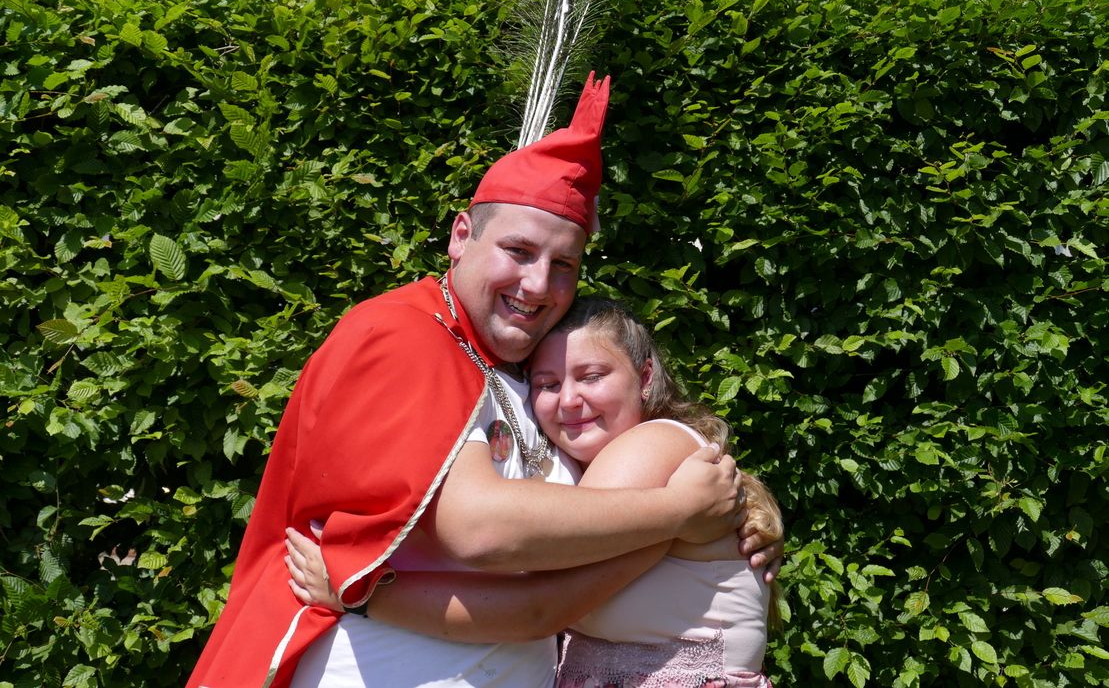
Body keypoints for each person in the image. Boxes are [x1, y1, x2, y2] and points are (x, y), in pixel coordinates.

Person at [186, 73, 782, 688]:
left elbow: (586, 521)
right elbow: (481, 530)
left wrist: (744, 510)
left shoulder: (514, 368)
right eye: (519, 251)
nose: (537, 285)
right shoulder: (405, 333)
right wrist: (677, 514)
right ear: (461, 236)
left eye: (563, 266)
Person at [286, 297, 784, 687]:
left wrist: (362, 594)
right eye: (547, 384)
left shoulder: (650, 447)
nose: (569, 400)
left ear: (646, 376)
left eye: (592, 376)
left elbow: (536, 604)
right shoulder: (606, 468)